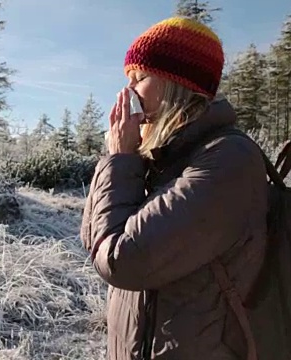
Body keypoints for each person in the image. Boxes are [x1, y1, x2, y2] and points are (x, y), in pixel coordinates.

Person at [80, 17, 272, 359]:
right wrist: (121, 159)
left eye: (139, 79)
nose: (128, 92)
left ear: (174, 83)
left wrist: (121, 160)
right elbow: (94, 239)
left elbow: (122, 260)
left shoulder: (228, 160)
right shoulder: (161, 158)